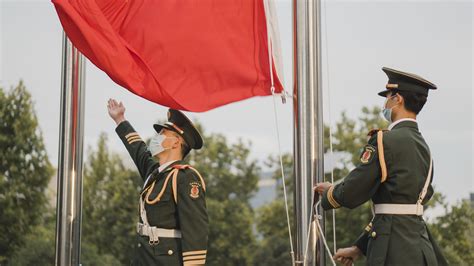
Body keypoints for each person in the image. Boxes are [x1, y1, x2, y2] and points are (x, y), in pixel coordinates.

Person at [314, 67, 447, 266]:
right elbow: (400, 207)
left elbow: (354, 190)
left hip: (392, 251)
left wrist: (330, 193)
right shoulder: (423, 146)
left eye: (388, 96)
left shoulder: (385, 140)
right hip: (420, 248)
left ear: (398, 99)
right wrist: (359, 247)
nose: (385, 103)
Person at [107, 99, 208, 266]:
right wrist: (120, 119)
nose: (156, 138)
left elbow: (196, 230)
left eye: (162, 134)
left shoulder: (185, 177)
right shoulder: (155, 173)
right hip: (144, 259)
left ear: (176, 142)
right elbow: (138, 149)